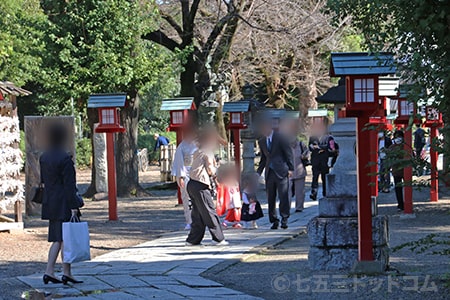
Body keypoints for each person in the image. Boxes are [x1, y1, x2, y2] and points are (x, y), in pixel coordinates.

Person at [40, 124, 83, 285]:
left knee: (58, 238)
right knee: (64, 238)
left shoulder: (44, 157)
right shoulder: (65, 159)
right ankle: (60, 272)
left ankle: (55, 271)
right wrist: (74, 206)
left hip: (50, 201)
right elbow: (69, 185)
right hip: (64, 202)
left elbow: (44, 180)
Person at [185, 126, 228, 246]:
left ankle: (193, 239)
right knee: (209, 211)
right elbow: (210, 170)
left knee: (198, 213)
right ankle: (218, 238)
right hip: (201, 184)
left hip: (192, 184)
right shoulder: (207, 152)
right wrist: (217, 170)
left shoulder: (197, 151)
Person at [257, 122, 294, 230]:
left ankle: (284, 218)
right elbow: (263, 159)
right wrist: (258, 172)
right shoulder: (262, 141)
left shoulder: (280, 137)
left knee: (283, 196)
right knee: (270, 197)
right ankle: (274, 220)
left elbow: (288, 153)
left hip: (281, 170)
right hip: (269, 171)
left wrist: (291, 168)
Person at [171, 127, 198, 230]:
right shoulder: (182, 146)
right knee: (187, 199)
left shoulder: (198, 145)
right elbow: (179, 162)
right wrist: (180, 176)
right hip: (186, 172)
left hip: (197, 173)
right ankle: (189, 221)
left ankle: (200, 220)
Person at [309, 124, 335, 200]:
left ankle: (325, 192)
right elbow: (310, 147)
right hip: (315, 160)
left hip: (324, 160)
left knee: (324, 177)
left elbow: (329, 147)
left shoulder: (328, 138)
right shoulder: (312, 137)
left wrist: (319, 147)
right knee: (315, 177)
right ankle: (314, 192)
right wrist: (317, 148)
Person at [290, 138, 310, 212]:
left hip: (300, 170)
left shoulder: (301, 144)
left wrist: (304, 156)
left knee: (300, 191)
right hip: (288, 172)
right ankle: (286, 207)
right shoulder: (285, 145)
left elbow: (307, 152)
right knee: (287, 191)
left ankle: (299, 207)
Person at [388, 130, 406, 211]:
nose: (398, 139)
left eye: (399, 137)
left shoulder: (406, 146)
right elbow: (388, 160)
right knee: (398, 189)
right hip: (396, 171)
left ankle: (407, 203)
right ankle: (400, 204)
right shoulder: (391, 148)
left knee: (407, 188)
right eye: (396, 137)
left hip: (405, 170)